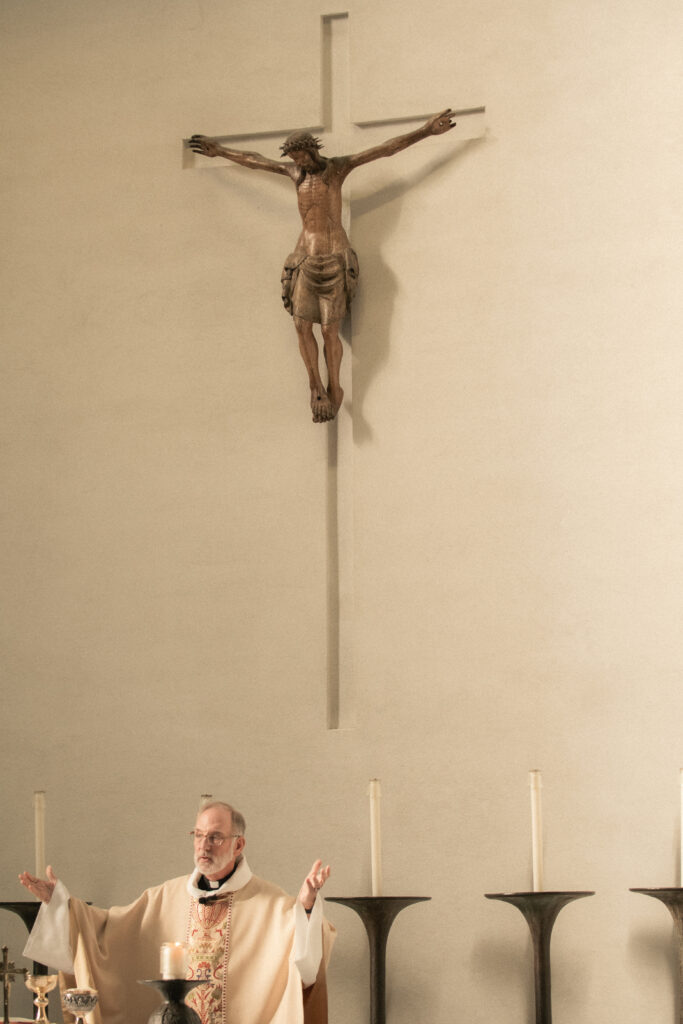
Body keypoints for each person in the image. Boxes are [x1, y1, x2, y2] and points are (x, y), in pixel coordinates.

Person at [189, 110, 458, 423]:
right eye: (294, 159)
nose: (298, 163)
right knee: (301, 326)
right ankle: (314, 386)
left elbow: (386, 149)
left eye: (300, 157)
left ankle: (335, 387)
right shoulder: (295, 175)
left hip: (333, 258)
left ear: (311, 150)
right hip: (305, 258)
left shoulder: (338, 169)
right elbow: (254, 160)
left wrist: (426, 131)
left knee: (330, 330)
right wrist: (220, 151)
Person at [19, 801, 333, 1024]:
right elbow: (106, 930)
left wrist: (305, 905)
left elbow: (303, 970)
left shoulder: (270, 903)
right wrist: (61, 904)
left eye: (215, 837)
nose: (204, 846)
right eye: (198, 835)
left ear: (239, 846)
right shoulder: (164, 897)